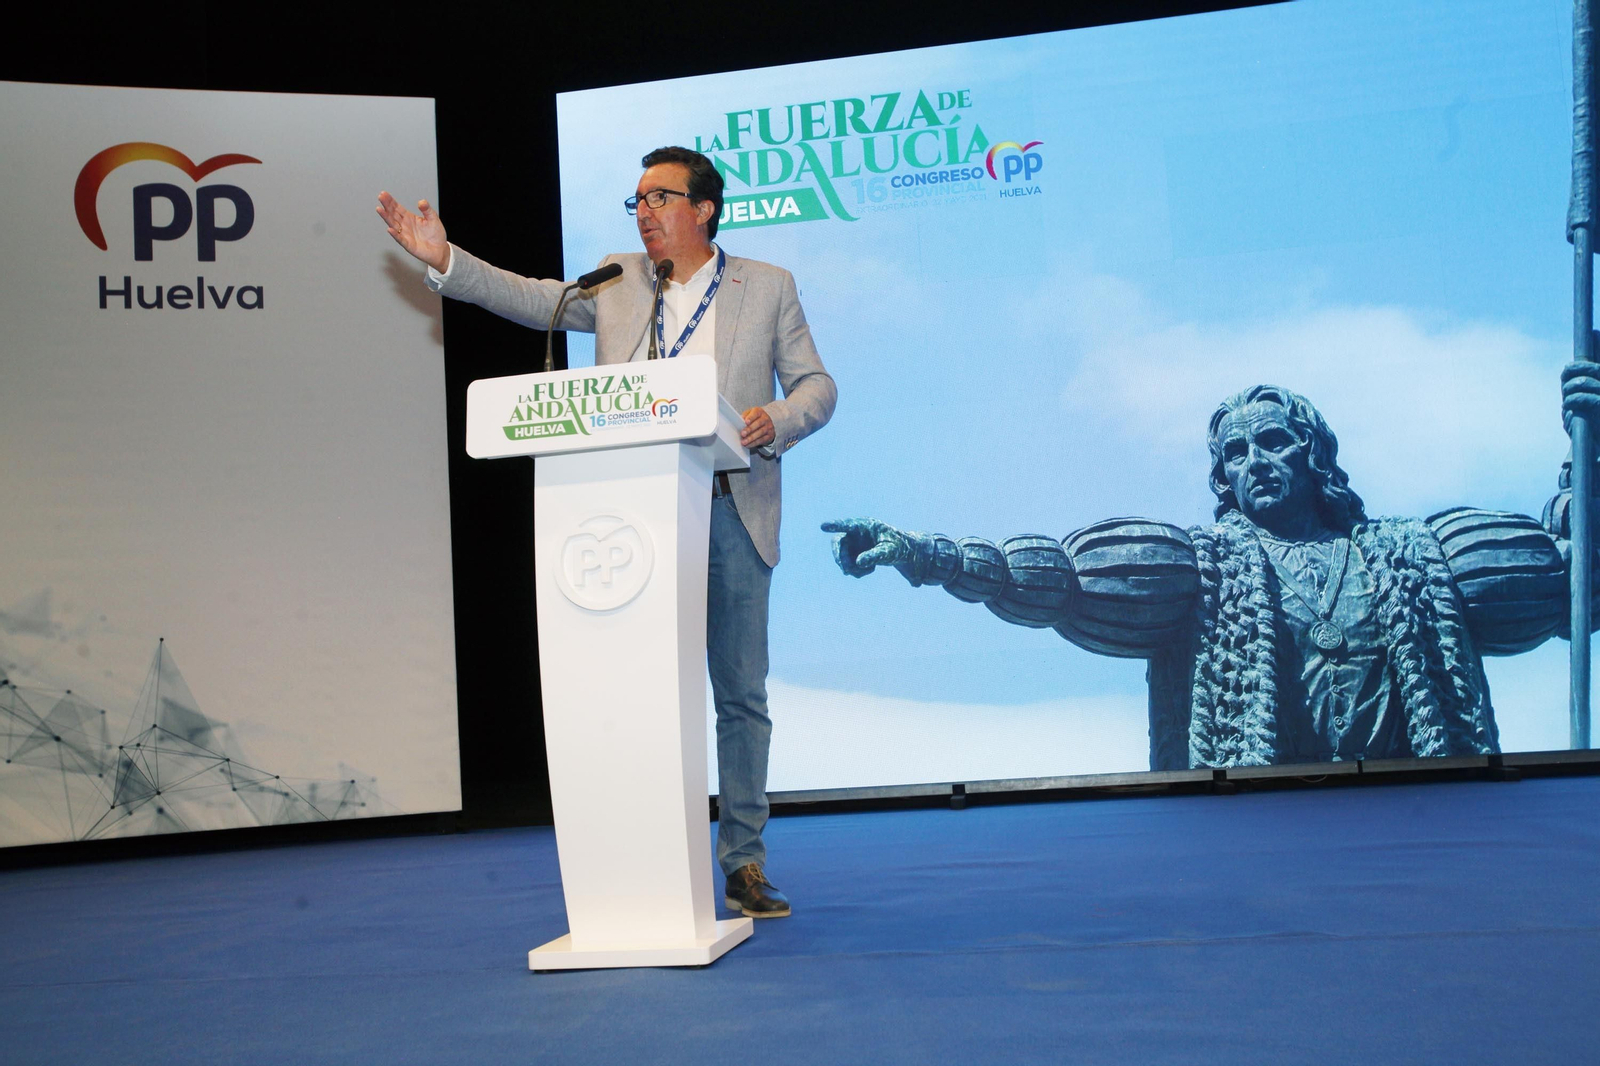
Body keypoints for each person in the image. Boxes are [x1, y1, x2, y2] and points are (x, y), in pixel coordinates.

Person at [378, 146, 836, 916]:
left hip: (730, 505)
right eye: (638, 202)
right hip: (635, 510)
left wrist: (776, 418)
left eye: (660, 198)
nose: (646, 213)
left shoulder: (767, 286)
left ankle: (744, 862)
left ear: (705, 209)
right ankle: (647, 855)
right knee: (639, 692)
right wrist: (445, 260)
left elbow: (818, 386)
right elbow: (534, 298)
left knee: (740, 696)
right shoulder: (618, 280)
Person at [824, 380, 1600, 770]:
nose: (1255, 463)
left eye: (1273, 442)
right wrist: (928, 556)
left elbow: (1572, 578)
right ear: (1222, 477)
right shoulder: (1200, 570)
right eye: (1235, 453)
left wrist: (1586, 465)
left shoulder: (1417, 556)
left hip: (1421, 824)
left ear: (1315, 455)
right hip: (1257, 837)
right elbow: (1060, 580)